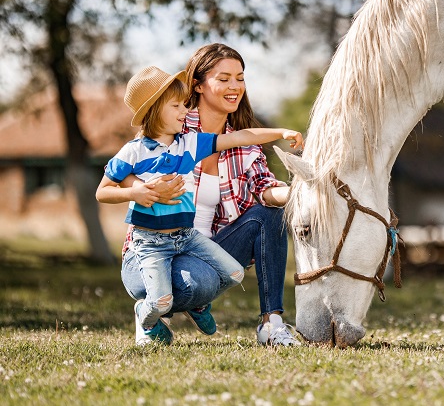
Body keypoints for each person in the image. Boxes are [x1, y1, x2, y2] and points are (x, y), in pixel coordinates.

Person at [98, 65, 304, 346]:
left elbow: (244, 143)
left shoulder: (191, 143)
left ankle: (236, 314)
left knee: (235, 267)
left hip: (190, 240)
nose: (184, 111)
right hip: (150, 244)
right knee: (174, 292)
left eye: (240, 78)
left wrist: (281, 134)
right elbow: (110, 184)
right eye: (176, 105)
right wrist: (137, 191)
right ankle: (149, 316)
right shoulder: (150, 142)